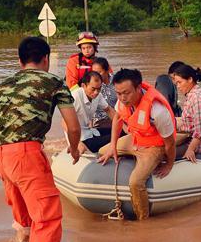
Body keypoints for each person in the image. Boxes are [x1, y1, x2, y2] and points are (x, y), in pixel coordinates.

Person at [0, 36, 81, 242]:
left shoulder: (2, 85)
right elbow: (72, 126)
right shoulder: (54, 81)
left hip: (0, 155)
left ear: (20, 60)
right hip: (26, 154)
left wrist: (6, 149)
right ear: (46, 59)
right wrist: (74, 149)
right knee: (47, 215)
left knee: (22, 209)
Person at [97, 69, 177, 220]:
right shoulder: (122, 101)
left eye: (126, 93)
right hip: (136, 138)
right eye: (119, 93)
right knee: (103, 151)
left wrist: (169, 164)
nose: (122, 98)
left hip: (154, 146)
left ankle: (143, 221)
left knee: (135, 182)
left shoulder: (157, 111)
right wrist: (113, 146)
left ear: (138, 87)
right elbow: (117, 119)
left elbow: (170, 143)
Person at [170, 63, 201, 163]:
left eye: (180, 82)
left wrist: (190, 150)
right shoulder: (196, 92)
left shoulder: (198, 99)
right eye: (176, 84)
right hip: (188, 136)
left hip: (199, 146)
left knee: (158, 152)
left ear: (190, 79)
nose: (178, 87)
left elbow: (200, 131)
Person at [71, 70, 116, 153]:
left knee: (121, 132)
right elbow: (64, 123)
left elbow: (109, 110)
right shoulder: (75, 96)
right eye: (93, 89)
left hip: (90, 132)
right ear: (83, 85)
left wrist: (124, 125)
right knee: (117, 137)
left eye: (99, 89)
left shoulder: (98, 95)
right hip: (81, 139)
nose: (96, 92)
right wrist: (76, 143)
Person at [91, 57, 117, 122]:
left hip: (116, 118)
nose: (96, 76)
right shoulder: (90, 84)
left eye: (99, 72)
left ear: (107, 70)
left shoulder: (117, 81)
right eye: (94, 72)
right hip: (98, 121)